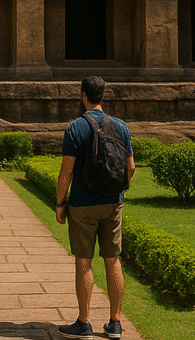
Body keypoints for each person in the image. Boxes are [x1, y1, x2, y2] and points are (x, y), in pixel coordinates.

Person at [55, 76, 135, 340]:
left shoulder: (75, 128)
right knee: (113, 260)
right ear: (103, 96)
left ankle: (84, 323)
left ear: (83, 95)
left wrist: (59, 203)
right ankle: (115, 324)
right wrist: (117, 191)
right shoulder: (121, 126)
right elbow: (130, 167)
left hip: (82, 205)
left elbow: (66, 171)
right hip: (112, 204)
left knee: (84, 262)